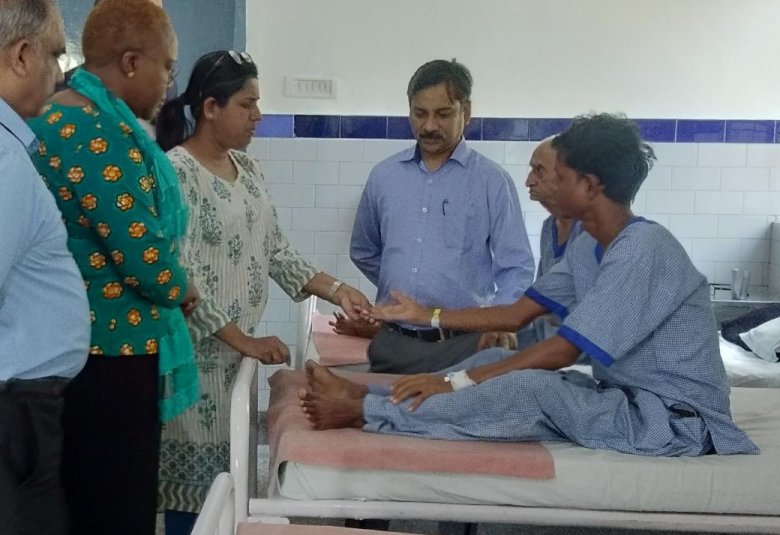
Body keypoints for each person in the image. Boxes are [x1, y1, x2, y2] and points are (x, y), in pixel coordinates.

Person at [299, 113, 758, 459]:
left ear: (589, 184)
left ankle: (364, 412)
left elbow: (560, 351)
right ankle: (366, 394)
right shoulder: (589, 247)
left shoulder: (642, 251)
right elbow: (519, 313)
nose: (541, 181)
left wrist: (458, 381)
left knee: (532, 387)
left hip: (675, 420)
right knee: (503, 360)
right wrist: (426, 315)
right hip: (625, 400)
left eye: (557, 172)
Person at [155, 50, 373, 535]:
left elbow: (277, 253)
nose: (259, 116)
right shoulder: (176, 173)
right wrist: (243, 340)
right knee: (195, 500)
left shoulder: (248, 172)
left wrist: (339, 290)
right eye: (247, 105)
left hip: (238, 362)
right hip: (196, 365)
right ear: (211, 107)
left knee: (232, 484)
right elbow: (176, 277)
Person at [27, 1, 200, 533]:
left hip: (78, 348)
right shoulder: (92, 132)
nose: (169, 84)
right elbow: (141, 253)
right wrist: (181, 286)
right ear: (130, 63)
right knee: (115, 505)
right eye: (167, 68)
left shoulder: (62, 115)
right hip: (109, 352)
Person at [350, 59, 535, 374]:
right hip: (394, 341)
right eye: (420, 114)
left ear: (467, 112)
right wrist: (406, 288)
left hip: (464, 345)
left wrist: (500, 320)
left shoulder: (492, 182)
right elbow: (364, 250)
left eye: (443, 114)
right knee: (379, 420)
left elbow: (516, 267)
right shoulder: (384, 177)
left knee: (452, 419)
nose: (430, 126)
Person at [0, 2, 90, 534]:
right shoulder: (5, 161)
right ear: (21, 55)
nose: (59, 74)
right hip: (17, 407)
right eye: (55, 55)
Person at [524, 138, 581, 344]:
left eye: (539, 171)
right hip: (550, 339)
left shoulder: (592, 234)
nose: (529, 181)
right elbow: (541, 298)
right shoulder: (550, 228)